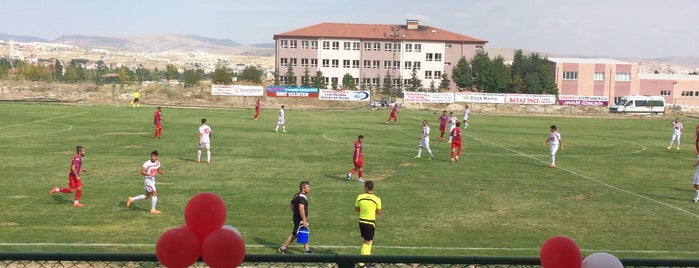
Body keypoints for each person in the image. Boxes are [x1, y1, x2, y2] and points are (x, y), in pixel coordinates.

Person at [277, 181, 312, 254]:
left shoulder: (297, 195)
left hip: (297, 217)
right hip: (300, 219)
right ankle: (282, 248)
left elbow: (291, 204)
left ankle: (307, 249)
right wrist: (304, 220)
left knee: (303, 231)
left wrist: (294, 212)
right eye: (308, 187)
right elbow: (301, 208)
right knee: (295, 234)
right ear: (303, 188)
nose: (309, 188)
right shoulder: (302, 197)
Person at [126, 150, 164, 214]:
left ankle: (131, 199)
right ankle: (153, 210)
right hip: (148, 181)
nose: (152, 157)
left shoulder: (158, 163)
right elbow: (142, 172)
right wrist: (150, 174)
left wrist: (161, 173)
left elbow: (157, 169)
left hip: (152, 181)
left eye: (154, 156)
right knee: (155, 194)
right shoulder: (147, 163)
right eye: (151, 156)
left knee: (147, 196)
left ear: (157, 157)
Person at [355, 180, 382, 267]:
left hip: (361, 222)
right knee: (367, 241)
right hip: (370, 223)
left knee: (368, 240)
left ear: (366, 188)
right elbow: (378, 212)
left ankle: (367, 260)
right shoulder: (377, 199)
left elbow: (357, 209)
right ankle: (362, 263)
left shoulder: (360, 197)